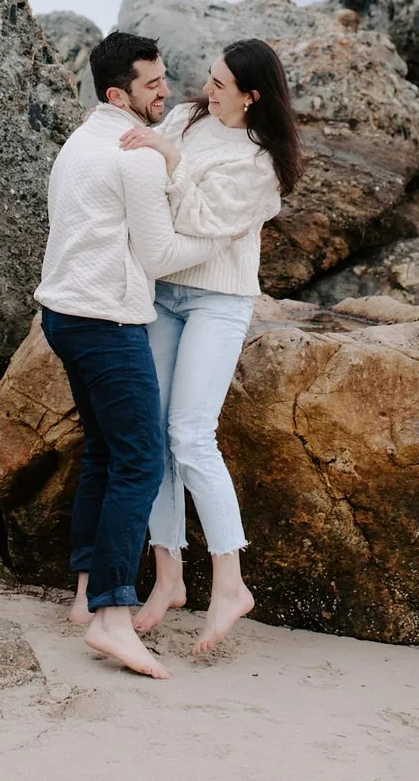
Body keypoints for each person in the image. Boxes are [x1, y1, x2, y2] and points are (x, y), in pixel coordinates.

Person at [34, 30, 230, 680]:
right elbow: (162, 255)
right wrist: (226, 239)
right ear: (120, 92)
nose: (166, 90)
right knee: (141, 460)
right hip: (106, 321)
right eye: (152, 83)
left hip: (61, 314)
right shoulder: (135, 156)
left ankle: (87, 592)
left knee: (102, 449)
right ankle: (116, 616)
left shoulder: (80, 140)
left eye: (165, 76)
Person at [118, 38, 300, 653]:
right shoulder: (191, 117)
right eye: (211, 76)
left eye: (221, 84)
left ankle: (230, 583)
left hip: (218, 302)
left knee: (191, 433)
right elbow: (156, 193)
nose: (206, 88)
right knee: (152, 433)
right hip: (163, 291)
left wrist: (167, 157)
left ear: (252, 97)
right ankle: (169, 576)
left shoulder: (262, 162)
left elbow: (195, 217)